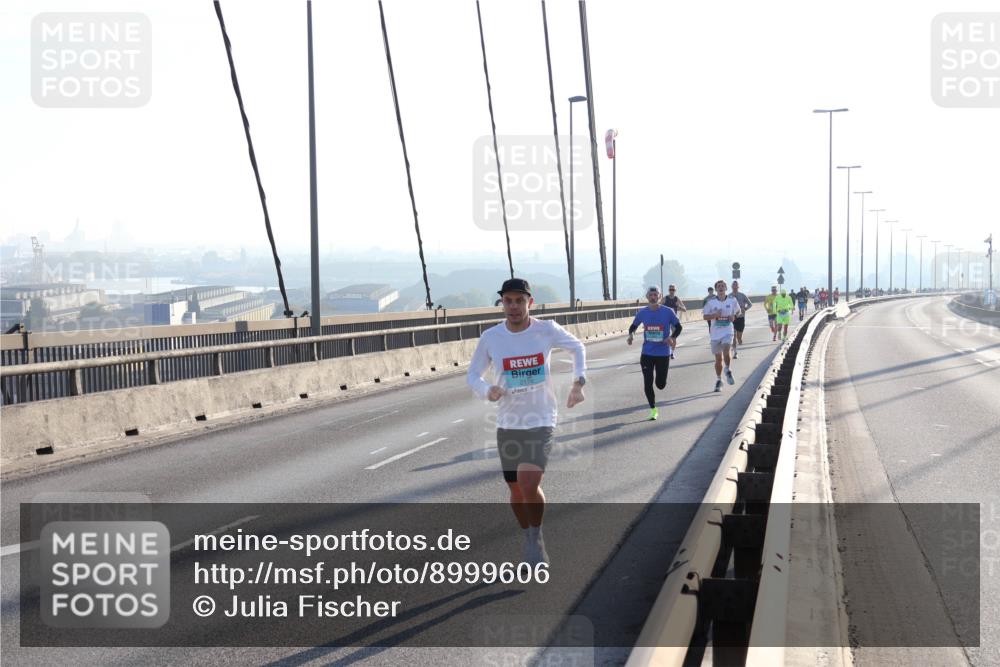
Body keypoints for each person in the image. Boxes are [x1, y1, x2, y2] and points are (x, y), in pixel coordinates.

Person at [467, 278, 586, 566]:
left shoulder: (546, 329)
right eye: (508, 301)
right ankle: (530, 536)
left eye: (519, 301)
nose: (514, 306)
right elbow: (473, 375)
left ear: (530, 303)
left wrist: (578, 383)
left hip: (541, 418)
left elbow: (577, 348)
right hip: (508, 422)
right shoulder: (491, 337)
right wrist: (487, 390)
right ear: (502, 303)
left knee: (528, 481)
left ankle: (536, 537)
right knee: (517, 490)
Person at [628, 286, 683, 420]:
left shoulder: (668, 312)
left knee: (660, 384)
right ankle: (653, 409)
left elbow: (679, 327)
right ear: (647, 297)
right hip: (647, 353)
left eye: (655, 295)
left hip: (663, 353)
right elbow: (633, 326)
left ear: (659, 296)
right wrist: (631, 335)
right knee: (648, 382)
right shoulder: (642, 312)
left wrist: (672, 337)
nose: (653, 297)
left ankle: (660, 385)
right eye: (651, 295)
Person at [703, 279, 739, 392]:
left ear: (726, 288)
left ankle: (727, 369)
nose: (721, 288)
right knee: (718, 359)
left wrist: (733, 316)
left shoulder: (732, 300)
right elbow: (704, 316)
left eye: (723, 286)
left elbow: (738, 311)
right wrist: (714, 315)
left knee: (726, 349)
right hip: (715, 334)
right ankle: (719, 380)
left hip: (727, 331)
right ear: (716, 289)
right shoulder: (710, 302)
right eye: (719, 286)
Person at [661, 284, 686, 360]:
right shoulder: (665, 298)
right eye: (670, 290)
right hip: (665, 320)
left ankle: (671, 353)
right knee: (663, 337)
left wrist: (679, 307)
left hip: (673, 320)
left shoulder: (676, 299)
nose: (671, 291)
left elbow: (684, 309)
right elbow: (658, 307)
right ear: (668, 290)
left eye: (673, 290)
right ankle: (664, 351)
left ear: (675, 290)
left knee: (674, 337)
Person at [730, 280, 752, 359]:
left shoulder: (742, 295)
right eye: (733, 285)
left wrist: (745, 309)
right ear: (731, 286)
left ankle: (739, 339)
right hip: (733, 318)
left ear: (738, 286)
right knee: (733, 335)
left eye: (736, 285)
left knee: (739, 338)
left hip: (741, 318)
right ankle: (735, 352)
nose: (735, 286)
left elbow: (750, 304)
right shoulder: (729, 296)